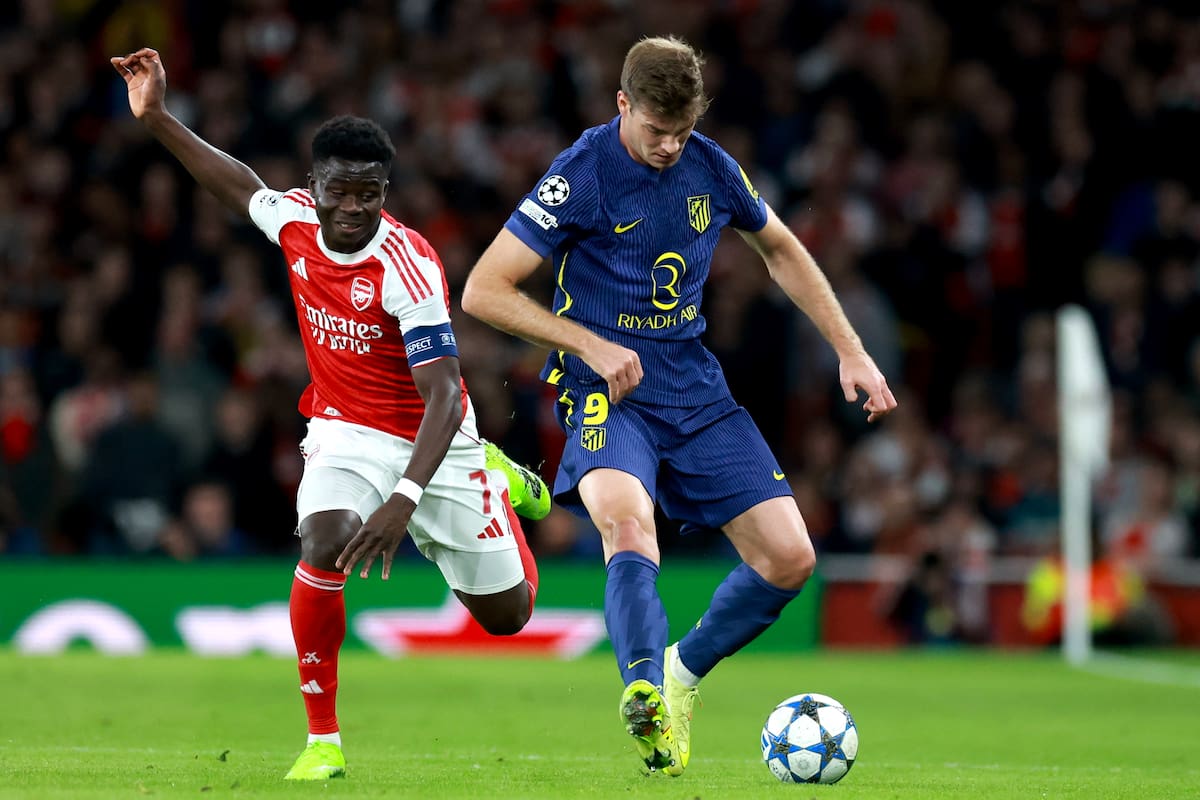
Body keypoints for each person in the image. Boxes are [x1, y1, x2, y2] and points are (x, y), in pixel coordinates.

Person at [111, 47, 551, 781]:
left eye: (369, 194)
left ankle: (499, 487)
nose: (353, 209)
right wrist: (157, 118)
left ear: (385, 191)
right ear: (313, 186)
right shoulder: (293, 223)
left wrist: (406, 500)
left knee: (509, 616)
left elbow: (444, 392)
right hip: (344, 430)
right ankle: (323, 741)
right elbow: (238, 184)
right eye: (339, 192)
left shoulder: (407, 266)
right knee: (323, 541)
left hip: (434, 440)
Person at [462, 35, 897, 776]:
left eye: (682, 132)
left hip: (692, 385)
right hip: (605, 387)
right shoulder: (584, 171)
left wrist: (849, 350)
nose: (668, 147)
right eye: (655, 131)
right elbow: (483, 289)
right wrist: (589, 346)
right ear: (622, 104)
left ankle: (679, 673)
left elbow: (783, 248)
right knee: (629, 526)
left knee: (790, 559)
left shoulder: (711, 165)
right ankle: (640, 688)